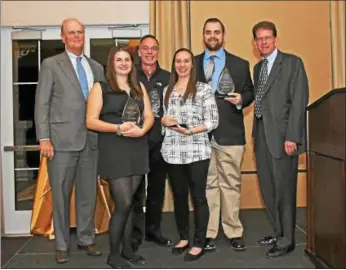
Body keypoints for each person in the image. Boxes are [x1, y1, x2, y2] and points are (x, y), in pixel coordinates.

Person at [34, 18, 105, 264]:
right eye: (71, 33)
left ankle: (86, 238)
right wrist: (44, 138)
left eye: (80, 32)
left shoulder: (96, 67)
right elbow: (41, 104)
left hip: (91, 141)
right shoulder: (51, 65)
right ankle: (62, 244)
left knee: (87, 194)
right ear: (63, 37)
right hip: (61, 143)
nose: (76, 37)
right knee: (61, 196)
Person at [86, 46, 154, 268]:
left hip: (137, 147)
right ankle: (113, 255)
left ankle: (127, 250)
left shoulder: (138, 87)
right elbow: (91, 121)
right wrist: (117, 127)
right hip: (114, 149)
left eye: (127, 59)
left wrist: (142, 130)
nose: (123, 63)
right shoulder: (101, 87)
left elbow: (149, 115)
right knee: (123, 203)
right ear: (111, 63)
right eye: (118, 59)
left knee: (131, 203)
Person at [195, 18, 254, 251]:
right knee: (207, 185)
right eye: (208, 32)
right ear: (203, 35)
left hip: (230, 134)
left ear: (223, 35)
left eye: (216, 32)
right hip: (200, 135)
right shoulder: (192, 63)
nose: (212, 36)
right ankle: (209, 232)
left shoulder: (240, 64)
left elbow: (249, 91)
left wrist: (242, 99)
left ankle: (233, 230)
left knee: (231, 183)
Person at [251, 21, 309, 258]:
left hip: (284, 138)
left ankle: (287, 241)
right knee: (268, 188)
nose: (263, 42)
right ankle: (279, 231)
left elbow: (299, 102)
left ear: (275, 39)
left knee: (284, 190)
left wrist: (292, 136)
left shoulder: (293, 63)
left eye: (268, 37)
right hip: (262, 136)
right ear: (255, 42)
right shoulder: (257, 68)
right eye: (259, 38)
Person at [161, 48, 219, 261]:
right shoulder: (168, 89)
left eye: (186, 61)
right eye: (178, 61)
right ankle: (184, 237)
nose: (182, 65)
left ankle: (199, 242)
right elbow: (164, 117)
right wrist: (163, 120)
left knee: (198, 197)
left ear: (192, 65)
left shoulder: (203, 89)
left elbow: (213, 120)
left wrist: (191, 130)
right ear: (174, 64)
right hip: (173, 152)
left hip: (197, 150)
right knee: (179, 197)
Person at [131, 34, 172, 251]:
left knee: (156, 190)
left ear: (158, 51)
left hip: (160, 142)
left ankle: (153, 231)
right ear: (139, 52)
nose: (149, 52)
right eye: (145, 48)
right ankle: (135, 235)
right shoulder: (129, 76)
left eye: (153, 48)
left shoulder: (168, 77)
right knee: (136, 191)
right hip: (135, 143)